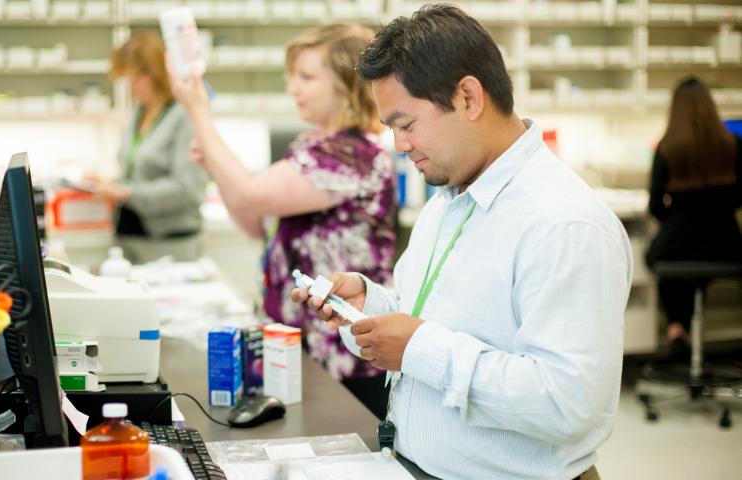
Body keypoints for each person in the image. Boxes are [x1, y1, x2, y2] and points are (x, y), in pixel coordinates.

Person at [292, 5, 632, 479]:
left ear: (469, 98)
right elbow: (434, 322)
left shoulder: (564, 224)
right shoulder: (450, 198)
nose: (399, 144)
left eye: (406, 124)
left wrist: (419, 349)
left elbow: (568, 404)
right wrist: (369, 307)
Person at [168, 24, 397, 418]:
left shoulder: (353, 154)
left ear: (347, 82)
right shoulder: (311, 145)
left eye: (307, 77)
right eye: (291, 76)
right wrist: (215, 165)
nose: (293, 87)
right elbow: (255, 222)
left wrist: (198, 113)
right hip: (297, 345)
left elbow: (253, 193)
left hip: (343, 353)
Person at [87, 31, 208, 263]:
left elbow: (188, 189)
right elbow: (136, 174)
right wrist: (108, 184)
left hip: (170, 245)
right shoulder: (140, 113)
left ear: (154, 73)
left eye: (133, 80)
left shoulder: (185, 116)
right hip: (129, 240)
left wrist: (124, 193)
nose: (131, 89)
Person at [645, 76, 742, 360]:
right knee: (698, 269)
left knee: (669, 266)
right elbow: (740, 197)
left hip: (677, 243)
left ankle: (678, 328)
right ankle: (687, 335)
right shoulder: (733, 144)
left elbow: (654, 205)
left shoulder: (667, 148)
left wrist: (675, 219)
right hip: (726, 245)